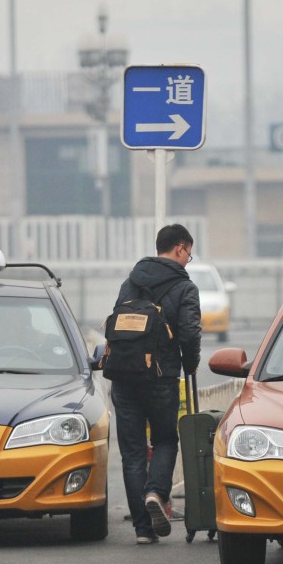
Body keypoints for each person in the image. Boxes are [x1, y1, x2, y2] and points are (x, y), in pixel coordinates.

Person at [108, 223, 201, 544]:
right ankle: (156, 492)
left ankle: (143, 531)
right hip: (161, 377)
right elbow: (189, 333)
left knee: (132, 452)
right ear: (179, 249)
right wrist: (190, 364)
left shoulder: (130, 282)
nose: (189, 259)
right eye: (189, 252)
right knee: (164, 440)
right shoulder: (184, 288)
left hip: (122, 376)